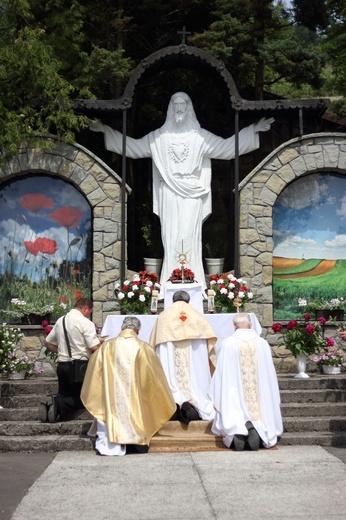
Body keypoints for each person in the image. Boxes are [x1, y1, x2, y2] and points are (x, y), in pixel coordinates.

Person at [90, 92, 274, 293]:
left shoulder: (201, 137)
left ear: (189, 108)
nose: (179, 109)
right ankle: (170, 279)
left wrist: (254, 130)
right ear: (170, 109)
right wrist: (106, 131)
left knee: (189, 235)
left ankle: (194, 282)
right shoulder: (158, 138)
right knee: (170, 237)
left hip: (192, 193)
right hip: (168, 192)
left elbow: (227, 147)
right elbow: (133, 147)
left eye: (183, 105)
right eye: (175, 104)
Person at [81, 316, 176, 456]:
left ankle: (114, 439)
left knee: (110, 403)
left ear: (121, 328)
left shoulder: (106, 346)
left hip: (112, 397)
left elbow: (95, 371)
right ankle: (137, 438)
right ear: (138, 331)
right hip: (135, 397)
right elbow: (153, 378)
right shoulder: (144, 348)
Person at [208, 312, 283, 451]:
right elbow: (269, 373)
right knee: (260, 411)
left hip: (234, 393)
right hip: (259, 395)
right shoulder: (262, 343)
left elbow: (221, 374)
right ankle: (258, 428)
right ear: (250, 325)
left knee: (233, 406)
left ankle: (238, 430)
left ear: (234, 327)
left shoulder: (227, 343)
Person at [150, 290, 217, 423]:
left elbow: (153, 346)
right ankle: (196, 404)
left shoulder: (164, 317)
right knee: (196, 378)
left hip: (170, 351)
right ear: (188, 301)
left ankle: (174, 402)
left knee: (170, 374)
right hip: (194, 357)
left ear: (173, 300)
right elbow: (209, 346)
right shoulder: (198, 317)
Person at [39, 298, 103, 423]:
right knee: (85, 398)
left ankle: (53, 408)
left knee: (66, 395)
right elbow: (93, 347)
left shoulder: (60, 320)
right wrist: (103, 343)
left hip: (62, 364)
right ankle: (56, 403)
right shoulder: (85, 322)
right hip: (79, 366)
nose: (88, 314)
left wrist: (60, 351)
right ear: (85, 308)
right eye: (89, 312)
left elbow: (47, 342)